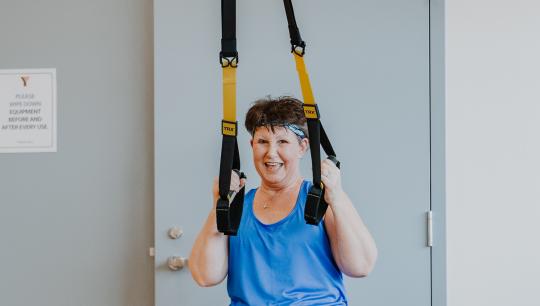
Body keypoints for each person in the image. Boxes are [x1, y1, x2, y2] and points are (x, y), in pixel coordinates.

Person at [189, 96, 378, 305]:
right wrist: (219, 204)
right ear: (252, 145)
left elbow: (361, 266)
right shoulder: (238, 206)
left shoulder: (324, 199)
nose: (271, 153)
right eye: (262, 142)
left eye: (282, 142)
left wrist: (336, 197)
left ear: (302, 147)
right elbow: (205, 276)